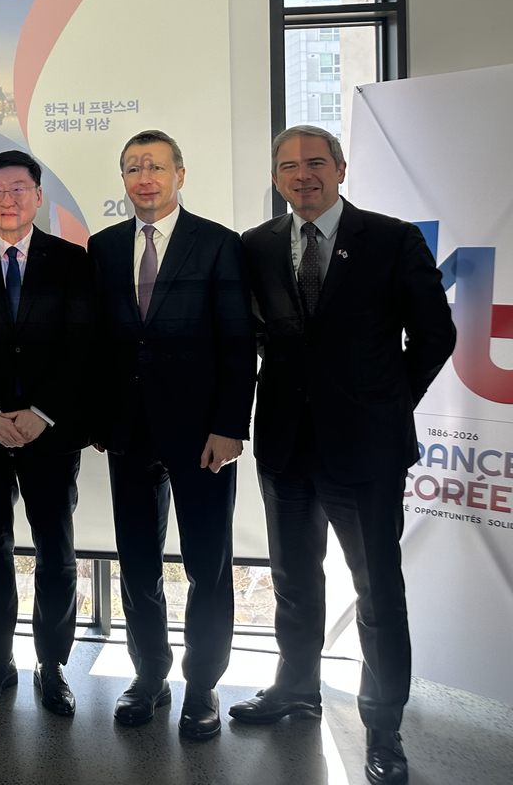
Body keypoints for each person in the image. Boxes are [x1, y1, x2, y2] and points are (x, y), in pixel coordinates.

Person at [231, 125, 455, 785]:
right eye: (288, 166)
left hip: (367, 449)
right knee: (295, 582)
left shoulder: (391, 238)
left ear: (340, 168)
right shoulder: (256, 247)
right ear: (275, 177)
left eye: (315, 163)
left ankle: (383, 726)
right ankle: (295, 688)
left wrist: (387, 404)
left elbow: (436, 336)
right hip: (284, 443)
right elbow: (258, 336)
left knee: (378, 589)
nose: (303, 174)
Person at [87, 129, 255, 740]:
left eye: (155, 166)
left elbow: (239, 343)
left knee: (206, 562)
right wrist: (100, 418)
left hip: (204, 435)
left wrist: (231, 426)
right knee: (137, 562)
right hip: (128, 433)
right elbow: (98, 345)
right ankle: (150, 675)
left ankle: (202, 683)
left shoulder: (218, 244)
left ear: (180, 175)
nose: (144, 177)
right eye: (132, 168)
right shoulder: (103, 248)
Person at [0, 151, 95, 712]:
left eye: (19, 189)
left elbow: (81, 345)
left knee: (55, 548)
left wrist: (41, 413)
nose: (8, 200)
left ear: (38, 196)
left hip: (50, 432)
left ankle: (52, 664)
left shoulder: (72, 260)